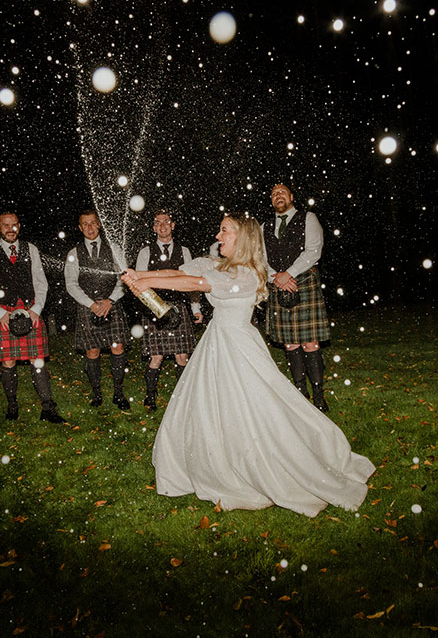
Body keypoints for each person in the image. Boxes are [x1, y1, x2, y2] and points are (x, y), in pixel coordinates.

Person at [121, 213, 374, 518]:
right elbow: (178, 272)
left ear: (242, 238)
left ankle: (262, 461)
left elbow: (194, 283)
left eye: (224, 231)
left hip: (238, 347)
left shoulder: (248, 274)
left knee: (254, 406)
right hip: (216, 343)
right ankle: (217, 455)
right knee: (213, 405)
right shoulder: (221, 266)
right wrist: (141, 275)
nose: (218, 235)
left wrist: (143, 280)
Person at [0, 211, 65, 424]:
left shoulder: (31, 249)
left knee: (38, 361)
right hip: (3, 312)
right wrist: (0, 314)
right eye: (6, 225)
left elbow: (41, 283)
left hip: (29, 309)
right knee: (8, 361)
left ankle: (48, 407)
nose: (11, 229)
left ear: (19, 225)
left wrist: (36, 309)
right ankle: (12, 405)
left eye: (14, 224)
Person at [262, 183, 331, 411]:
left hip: (303, 282)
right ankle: (301, 393)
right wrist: (276, 277)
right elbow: (260, 259)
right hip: (278, 285)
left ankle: (319, 395)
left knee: (310, 342)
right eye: (274, 194)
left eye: (282, 192)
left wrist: (288, 274)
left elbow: (314, 250)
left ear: (291, 196)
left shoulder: (308, 218)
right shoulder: (264, 227)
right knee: (290, 343)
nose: (278, 196)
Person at [134, 209, 203, 410]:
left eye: (166, 221)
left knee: (182, 356)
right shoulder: (145, 252)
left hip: (179, 308)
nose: (162, 226)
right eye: (158, 222)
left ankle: (183, 396)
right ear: (154, 228)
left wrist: (195, 308)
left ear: (173, 225)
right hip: (155, 309)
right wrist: (154, 308)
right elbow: (139, 284)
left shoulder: (185, 251)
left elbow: (191, 283)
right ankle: (150, 396)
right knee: (157, 356)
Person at [64, 210, 131, 410]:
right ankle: (97, 393)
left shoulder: (114, 249)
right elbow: (71, 284)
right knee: (92, 351)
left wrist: (110, 300)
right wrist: (92, 304)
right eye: (85, 224)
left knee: (117, 348)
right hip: (87, 306)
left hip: (113, 304)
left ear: (99, 225)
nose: (90, 228)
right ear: (79, 227)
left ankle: (118, 393)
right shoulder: (74, 253)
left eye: (93, 223)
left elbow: (124, 278)